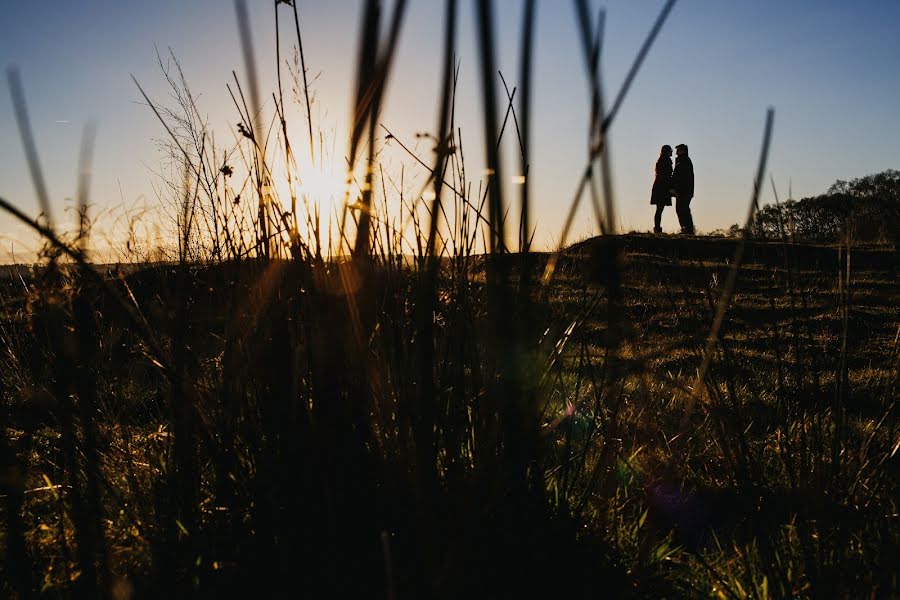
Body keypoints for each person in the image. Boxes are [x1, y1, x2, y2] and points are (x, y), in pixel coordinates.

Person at [670, 143, 695, 234]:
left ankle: (687, 229)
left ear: (682, 150)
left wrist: (674, 187)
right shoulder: (684, 160)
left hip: (683, 190)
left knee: (682, 209)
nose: (676, 151)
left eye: (678, 149)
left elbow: (679, 176)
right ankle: (687, 229)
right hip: (685, 190)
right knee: (683, 209)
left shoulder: (684, 161)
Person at [650, 145, 673, 234]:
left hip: (660, 187)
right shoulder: (665, 161)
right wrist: (670, 188)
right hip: (662, 188)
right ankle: (657, 229)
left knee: (659, 209)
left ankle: (657, 228)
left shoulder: (662, 161)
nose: (672, 152)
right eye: (670, 150)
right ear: (667, 151)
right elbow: (666, 177)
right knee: (659, 209)